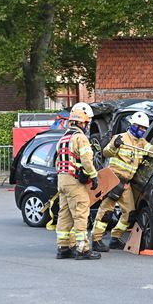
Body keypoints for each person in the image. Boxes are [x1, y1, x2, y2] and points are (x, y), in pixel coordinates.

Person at [91, 111, 153, 252]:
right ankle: (96, 239)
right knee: (106, 211)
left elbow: (152, 150)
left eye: (145, 129)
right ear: (133, 126)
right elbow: (106, 152)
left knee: (130, 212)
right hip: (114, 180)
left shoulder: (142, 143)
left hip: (126, 183)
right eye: (141, 128)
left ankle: (115, 238)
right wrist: (115, 145)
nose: (143, 131)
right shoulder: (120, 138)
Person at [55, 108, 100, 260]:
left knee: (64, 214)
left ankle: (63, 247)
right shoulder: (80, 138)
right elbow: (86, 159)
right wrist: (94, 176)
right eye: (86, 123)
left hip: (62, 180)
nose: (87, 126)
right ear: (81, 123)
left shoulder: (63, 138)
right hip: (74, 182)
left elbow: (58, 161)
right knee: (81, 213)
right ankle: (82, 249)